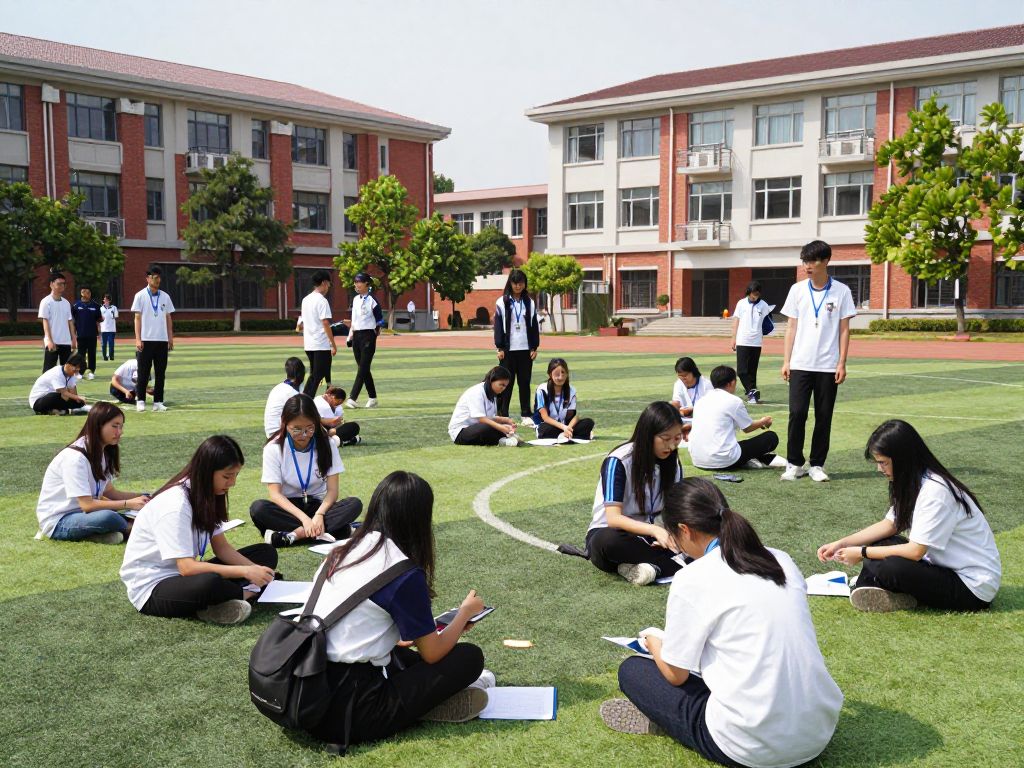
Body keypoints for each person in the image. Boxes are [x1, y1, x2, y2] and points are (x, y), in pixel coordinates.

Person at [601, 478, 843, 768]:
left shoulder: (692, 578)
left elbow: (675, 675)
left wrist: (653, 642)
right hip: (818, 732)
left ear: (684, 530)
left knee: (633, 670)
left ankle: (667, 722)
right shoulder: (780, 559)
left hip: (750, 747)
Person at [302, 471, 492, 750]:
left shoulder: (343, 550)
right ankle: (425, 707)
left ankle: (423, 702)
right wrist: (464, 612)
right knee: (469, 658)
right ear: (419, 518)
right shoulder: (403, 572)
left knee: (401, 650)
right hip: (352, 712)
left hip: (308, 689)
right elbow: (433, 652)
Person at [817, 419, 1001, 613]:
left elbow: (915, 551)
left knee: (889, 565)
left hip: (972, 588)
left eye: (883, 463)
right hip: (943, 569)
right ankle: (877, 587)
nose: (879, 469)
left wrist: (861, 553)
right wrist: (843, 543)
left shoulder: (935, 492)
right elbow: (890, 525)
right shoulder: (914, 480)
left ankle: (879, 586)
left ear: (903, 458)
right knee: (881, 546)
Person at [119, 435, 278, 624]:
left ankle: (223, 600)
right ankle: (246, 593)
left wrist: (254, 569)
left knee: (265, 553)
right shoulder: (175, 506)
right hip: (153, 587)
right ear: (206, 471)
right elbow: (187, 568)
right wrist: (245, 572)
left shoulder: (208, 494)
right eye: (227, 476)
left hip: (185, 577)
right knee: (209, 582)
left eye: (235, 475)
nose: (232, 483)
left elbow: (222, 549)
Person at [780, 240, 856, 482]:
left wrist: (842, 362)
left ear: (826, 261)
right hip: (801, 363)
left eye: (812, 261)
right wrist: (786, 361)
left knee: (824, 415)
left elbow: (844, 329)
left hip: (827, 364)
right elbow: (791, 327)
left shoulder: (841, 291)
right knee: (797, 413)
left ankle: (817, 465)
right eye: (805, 261)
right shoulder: (797, 290)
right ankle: (794, 463)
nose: (807, 266)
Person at [585, 402, 685, 585]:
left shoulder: (673, 463)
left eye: (677, 438)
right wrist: (656, 530)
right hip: (614, 533)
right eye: (665, 438)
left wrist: (672, 533)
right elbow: (614, 519)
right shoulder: (619, 461)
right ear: (648, 435)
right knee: (607, 541)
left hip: (652, 535)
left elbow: (675, 508)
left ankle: (648, 568)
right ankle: (679, 567)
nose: (671, 446)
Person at [251, 394, 363, 548]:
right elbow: (275, 494)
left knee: (354, 504)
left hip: (318, 505)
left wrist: (319, 514)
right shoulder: (274, 448)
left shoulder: (327, 444)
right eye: (296, 429)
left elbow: (332, 491)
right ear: (285, 423)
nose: (303, 435)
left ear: (316, 423)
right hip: (289, 508)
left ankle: (293, 535)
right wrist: (305, 519)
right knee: (259, 508)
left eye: (309, 428)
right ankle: (335, 531)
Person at [35, 402, 150, 543]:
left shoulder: (102, 452)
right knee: (108, 517)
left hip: (85, 515)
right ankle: (135, 529)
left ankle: (101, 535)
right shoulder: (75, 458)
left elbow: (110, 493)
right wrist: (128, 503)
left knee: (113, 515)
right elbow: (87, 505)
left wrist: (145, 496)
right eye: (115, 426)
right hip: (59, 521)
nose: (120, 432)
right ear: (98, 425)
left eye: (121, 426)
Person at [688, 366, 785, 472]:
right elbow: (747, 428)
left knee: (736, 443)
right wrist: (764, 421)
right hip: (723, 461)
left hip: (697, 459)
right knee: (771, 437)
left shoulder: (701, 401)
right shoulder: (733, 401)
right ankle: (754, 458)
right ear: (732, 383)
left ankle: (751, 458)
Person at [493, 268, 540, 425]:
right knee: (506, 383)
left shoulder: (530, 302)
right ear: (510, 283)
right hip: (508, 350)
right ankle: (502, 413)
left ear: (525, 284)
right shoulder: (502, 302)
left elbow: (533, 326)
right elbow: (498, 326)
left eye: (521, 283)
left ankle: (526, 414)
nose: (518, 286)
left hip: (525, 349)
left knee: (524, 382)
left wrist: (534, 347)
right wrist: (499, 348)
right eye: (515, 283)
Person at [131, 265, 175, 413]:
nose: (157, 280)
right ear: (148, 278)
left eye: (159, 278)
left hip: (162, 340)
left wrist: (170, 337)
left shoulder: (165, 296)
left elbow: (168, 317)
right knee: (143, 372)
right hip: (145, 339)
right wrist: (138, 339)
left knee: (160, 373)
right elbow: (137, 318)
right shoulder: (140, 295)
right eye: (154, 277)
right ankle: (141, 400)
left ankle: (158, 402)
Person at [448, 366, 520, 446]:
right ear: (492, 380)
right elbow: (482, 419)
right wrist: (501, 427)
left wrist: (505, 420)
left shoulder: (492, 394)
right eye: (501, 385)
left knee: (502, 426)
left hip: (476, 427)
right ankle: (501, 440)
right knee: (489, 427)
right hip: (461, 432)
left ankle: (503, 439)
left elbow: (489, 418)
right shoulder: (477, 392)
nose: (503, 388)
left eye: (505, 386)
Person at [730, 281, 774, 404]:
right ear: (748, 292)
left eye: (757, 294)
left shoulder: (764, 305)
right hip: (742, 340)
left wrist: (765, 330)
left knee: (752, 371)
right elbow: (736, 321)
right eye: (753, 294)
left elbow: (769, 322)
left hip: (756, 342)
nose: (755, 297)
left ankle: (752, 396)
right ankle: (752, 391)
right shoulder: (741, 303)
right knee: (742, 371)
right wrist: (733, 338)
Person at [345, 272, 384, 409]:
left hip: (368, 336)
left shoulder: (373, 300)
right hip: (357, 336)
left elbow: (380, 320)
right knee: (364, 368)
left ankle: (352, 398)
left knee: (362, 368)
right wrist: (349, 337)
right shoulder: (355, 299)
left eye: (359, 282)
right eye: (355, 282)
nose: (356, 284)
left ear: (367, 283)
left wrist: (375, 333)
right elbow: (354, 320)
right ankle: (372, 398)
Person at [533, 357, 594, 440]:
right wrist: (564, 428)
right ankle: (576, 435)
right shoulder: (542, 390)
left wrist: (568, 428)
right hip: (547, 425)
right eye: (557, 374)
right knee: (545, 430)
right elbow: (545, 417)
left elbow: (575, 416)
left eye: (563, 373)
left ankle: (565, 435)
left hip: (565, 425)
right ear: (550, 374)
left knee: (588, 422)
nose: (560, 377)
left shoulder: (571, 390)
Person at [301, 270, 336, 398]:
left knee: (316, 374)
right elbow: (325, 323)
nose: (328, 288)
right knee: (317, 375)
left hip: (309, 344)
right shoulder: (322, 301)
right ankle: (305, 400)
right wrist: (333, 344)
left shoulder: (306, 300)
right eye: (328, 284)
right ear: (324, 283)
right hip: (321, 344)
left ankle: (306, 399)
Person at [38, 271, 77, 373]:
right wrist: (49, 340)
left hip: (65, 341)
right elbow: (45, 322)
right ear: (51, 284)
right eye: (59, 283)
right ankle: (47, 389)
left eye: (63, 284)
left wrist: (73, 338)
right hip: (53, 342)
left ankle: (66, 389)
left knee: (67, 371)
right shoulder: (46, 302)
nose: (62, 286)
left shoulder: (66, 303)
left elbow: (70, 321)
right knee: (48, 372)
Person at [264, 357, 306, 438]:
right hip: (279, 434)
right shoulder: (291, 393)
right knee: (312, 430)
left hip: (272, 431)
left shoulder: (281, 386)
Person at [71, 287, 102, 380]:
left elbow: (99, 319)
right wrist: (73, 334)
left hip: (92, 334)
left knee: (92, 354)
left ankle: (91, 371)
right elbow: (72, 320)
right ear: (81, 293)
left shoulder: (96, 305)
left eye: (89, 292)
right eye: (86, 292)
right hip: (80, 334)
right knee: (81, 355)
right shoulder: (76, 305)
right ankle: (80, 372)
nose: (88, 294)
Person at [670, 357, 712, 421]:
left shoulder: (706, 384)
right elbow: (676, 401)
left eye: (685, 375)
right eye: (680, 375)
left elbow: (710, 405)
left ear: (693, 371)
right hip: (684, 421)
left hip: (703, 420)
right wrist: (673, 407)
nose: (683, 378)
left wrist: (692, 411)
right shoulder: (678, 384)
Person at [100, 293, 119, 361]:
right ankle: (104, 357)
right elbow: (99, 318)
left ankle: (111, 356)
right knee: (103, 345)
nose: (104, 301)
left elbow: (116, 316)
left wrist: (112, 314)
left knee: (111, 344)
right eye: (104, 299)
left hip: (111, 329)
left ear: (109, 300)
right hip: (103, 329)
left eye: (105, 299)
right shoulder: (101, 308)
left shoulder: (114, 308)